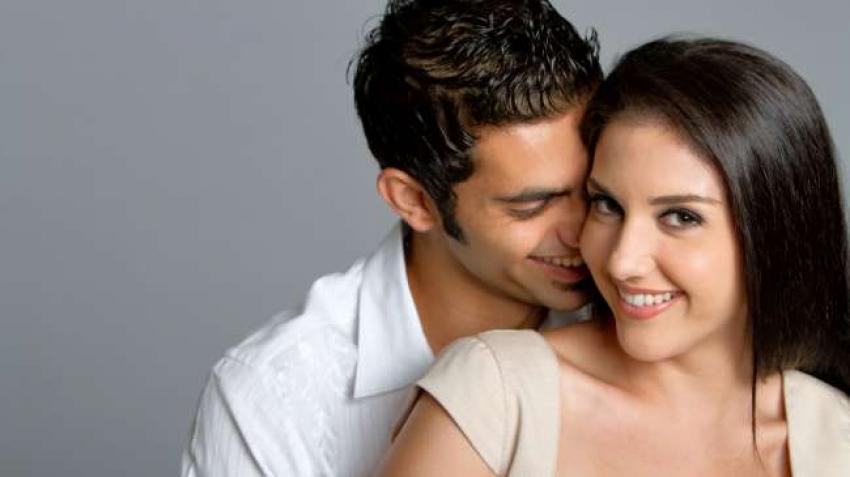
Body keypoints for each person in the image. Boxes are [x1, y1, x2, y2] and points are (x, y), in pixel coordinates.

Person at [379, 37, 850, 476]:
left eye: (680, 217)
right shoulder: (496, 395)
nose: (622, 261)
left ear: (778, 230)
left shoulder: (837, 436)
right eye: (607, 204)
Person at [181, 1, 602, 475]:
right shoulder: (272, 399)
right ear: (415, 201)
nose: (583, 230)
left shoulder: (636, 324)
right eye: (531, 205)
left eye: (597, 190)